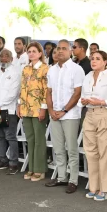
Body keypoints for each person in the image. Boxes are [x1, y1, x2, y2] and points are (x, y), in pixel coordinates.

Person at [78, 50, 107, 201]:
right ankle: (94, 186)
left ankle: (106, 189)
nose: (93, 61)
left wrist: (101, 102)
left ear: (105, 62)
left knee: (106, 151)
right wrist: (84, 101)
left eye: (97, 59)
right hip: (89, 113)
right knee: (91, 151)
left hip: (106, 114)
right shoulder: (88, 76)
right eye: (92, 58)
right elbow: (83, 95)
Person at [45, 39, 84, 193]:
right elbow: (48, 92)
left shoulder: (76, 69)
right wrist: (50, 110)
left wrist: (65, 110)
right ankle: (62, 177)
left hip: (70, 115)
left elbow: (78, 93)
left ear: (70, 51)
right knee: (58, 148)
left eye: (63, 48)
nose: (60, 51)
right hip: (54, 114)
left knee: (72, 149)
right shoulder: (52, 70)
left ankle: (73, 180)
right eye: (58, 49)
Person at [17, 42, 49, 182]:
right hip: (26, 108)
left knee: (39, 140)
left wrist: (43, 108)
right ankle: (32, 167)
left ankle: (40, 169)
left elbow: (46, 90)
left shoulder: (45, 69)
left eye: (34, 51)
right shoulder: (25, 69)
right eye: (29, 51)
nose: (31, 53)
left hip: (38, 109)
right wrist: (19, 105)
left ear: (40, 53)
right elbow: (22, 88)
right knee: (30, 139)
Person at [0, 49, 21, 174]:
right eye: (1, 56)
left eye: (7, 56)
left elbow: (13, 93)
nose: (4, 58)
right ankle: (2, 159)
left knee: (10, 137)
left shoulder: (15, 73)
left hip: (8, 110)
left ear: (11, 59)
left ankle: (13, 163)